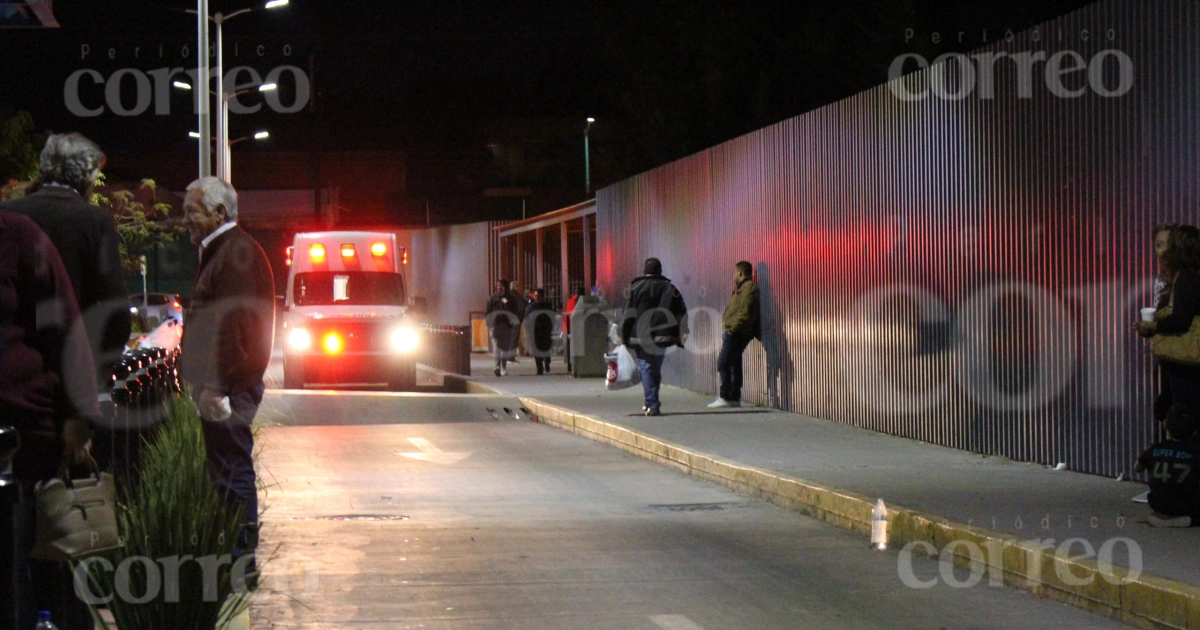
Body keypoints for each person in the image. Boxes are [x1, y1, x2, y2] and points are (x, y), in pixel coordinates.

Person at [0, 210, 99, 630]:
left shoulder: (18, 235)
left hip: (21, 433)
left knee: (24, 561)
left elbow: (64, 327)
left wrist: (77, 417)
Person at [178, 177, 275, 563]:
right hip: (227, 386)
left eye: (192, 211)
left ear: (219, 213)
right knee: (226, 469)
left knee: (232, 470)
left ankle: (240, 558)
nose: (184, 218)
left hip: (228, 388)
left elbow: (231, 328)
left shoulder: (233, 254)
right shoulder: (225, 251)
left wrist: (215, 387)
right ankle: (235, 554)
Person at [0, 133, 131, 387]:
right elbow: (114, 305)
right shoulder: (94, 221)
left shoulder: (8, 214)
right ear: (87, 176)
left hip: (14, 365)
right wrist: (105, 363)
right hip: (72, 367)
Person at [1140, 225, 1200, 421]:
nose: (1165, 250)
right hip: (1179, 359)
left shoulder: (1187, 276)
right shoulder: (1182, 276)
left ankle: (1178, 446)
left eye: (1170, 245)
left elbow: (1181, 318)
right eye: (1159, 245)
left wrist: (1154, 326)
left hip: (1183, 357)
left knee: (1180, 409)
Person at [620, 258, 688, 416]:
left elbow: (628, 314)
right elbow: (681, 312)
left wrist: (624, 336)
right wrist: (682, 332)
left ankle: (652, 403)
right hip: (662, 337)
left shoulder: (636, 288)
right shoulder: (670, 288)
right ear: (660, 270)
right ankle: (650, 401)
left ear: (644, 270)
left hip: (640, 336)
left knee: (646, 367)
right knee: (654, 368)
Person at [1134, 404, 1200, 527]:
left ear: (1165, 425)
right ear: (1194, 432)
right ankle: (1188, 519)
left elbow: (1137, 468)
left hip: (1158, 504)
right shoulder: (1195, 452)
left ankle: (1161, 517)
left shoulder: (1154, 449)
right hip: (1187, 506)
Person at [709, 261, 760, 408]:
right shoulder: (742, 288)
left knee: (723, 362)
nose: (733, 275)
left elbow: (745, 312)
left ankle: (725, 396)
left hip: (738, 332)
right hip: (737, 331)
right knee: (734, 363)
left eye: (735, 272)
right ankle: (734, 398)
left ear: (741, 273)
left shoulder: (748, 289)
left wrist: (732, 328)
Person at [486, 279, 522, 376]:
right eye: (498, 285)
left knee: (505, 347)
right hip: (495, 325)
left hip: (506, 325)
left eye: (501, 286)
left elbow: (514, 310)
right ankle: (497, 366)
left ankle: (503, 367)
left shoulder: (510, 299)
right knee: (497, 346)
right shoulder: (493, 298)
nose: (499, 287)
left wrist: (506, 304)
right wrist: (489, 323)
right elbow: (488, 311)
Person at [526, 288, 554, 374]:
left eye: (538, 296)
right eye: (535, 296)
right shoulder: (531, 307)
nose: (536, 298)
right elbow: (526, 318)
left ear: (542, 297)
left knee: (546, 347)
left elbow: (552, 317)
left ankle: (547, 362)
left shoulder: (547, 306)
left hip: (546, 330)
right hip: (534, 331)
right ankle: (539, 368)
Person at [563, 285, 585, 372]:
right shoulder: (582, 301)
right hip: (578, 326)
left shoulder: (571, 301)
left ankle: (570, 365)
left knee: (570, 346)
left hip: (569, 326)